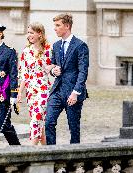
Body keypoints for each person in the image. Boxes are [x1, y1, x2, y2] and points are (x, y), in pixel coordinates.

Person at [45, 13, 89, 145]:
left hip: (72, 93)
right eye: (55, 25)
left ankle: (74, 160)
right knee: (48, 122)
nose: (55, 28)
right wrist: (53, 71)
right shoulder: (56, 45)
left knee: (73, 128)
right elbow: (52, 65)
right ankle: (51, 155)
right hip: (57, 91)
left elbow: (83, 71)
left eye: (58, 25)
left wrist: (75, 93)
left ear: (67, 26)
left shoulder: (80, 45)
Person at [17, 22, 54, 145]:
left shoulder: (49, 49)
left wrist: (50, 67)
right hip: (30, 92)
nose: (29, 35)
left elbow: (55, 65)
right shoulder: (26, 51)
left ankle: (30, 150)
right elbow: (24, 75)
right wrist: (19, 93)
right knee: (40, 126)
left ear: (40, 34)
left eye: (31, 32)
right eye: (28, 33)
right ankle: (47, 154)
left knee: (35, 120)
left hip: (43, 90)